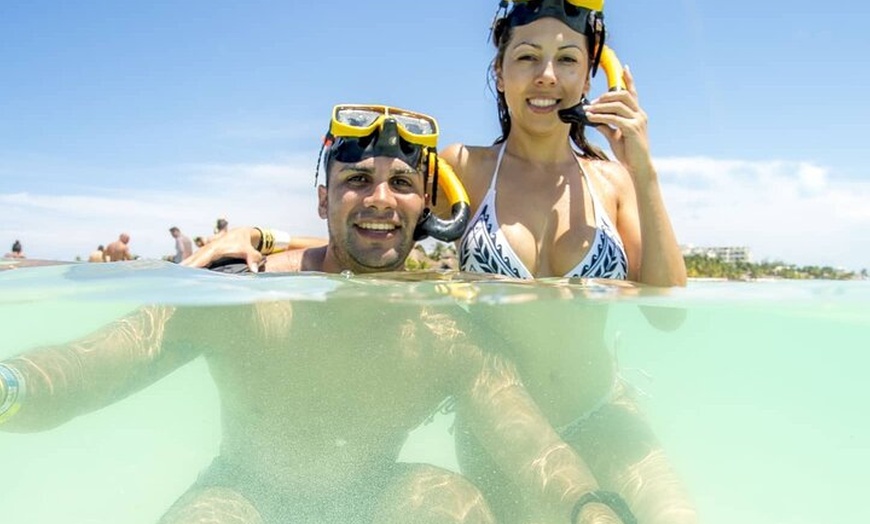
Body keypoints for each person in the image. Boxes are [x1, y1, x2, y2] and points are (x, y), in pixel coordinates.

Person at [187, 3, 695, 522]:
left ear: (591, 73)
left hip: (602, 414)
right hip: (499, 432)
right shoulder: (464, 169)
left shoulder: (615, 181)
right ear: (499, 72)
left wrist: (644, 168)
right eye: (527, 57)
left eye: (567, 59)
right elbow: (377, 239)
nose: (547, 76)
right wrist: (262, 237)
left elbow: (668, 309)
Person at [1, 106, 621, 524]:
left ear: (424, 204)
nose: (380, 198)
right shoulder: (245, 298)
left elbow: (532, 448)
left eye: (402, 182)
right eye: (357, 179)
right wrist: (10, 388)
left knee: (447, 502)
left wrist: (592, 511)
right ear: (324, 197)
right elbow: (93, 368)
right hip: (242, 494)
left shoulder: (444, 328)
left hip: (378, 499)